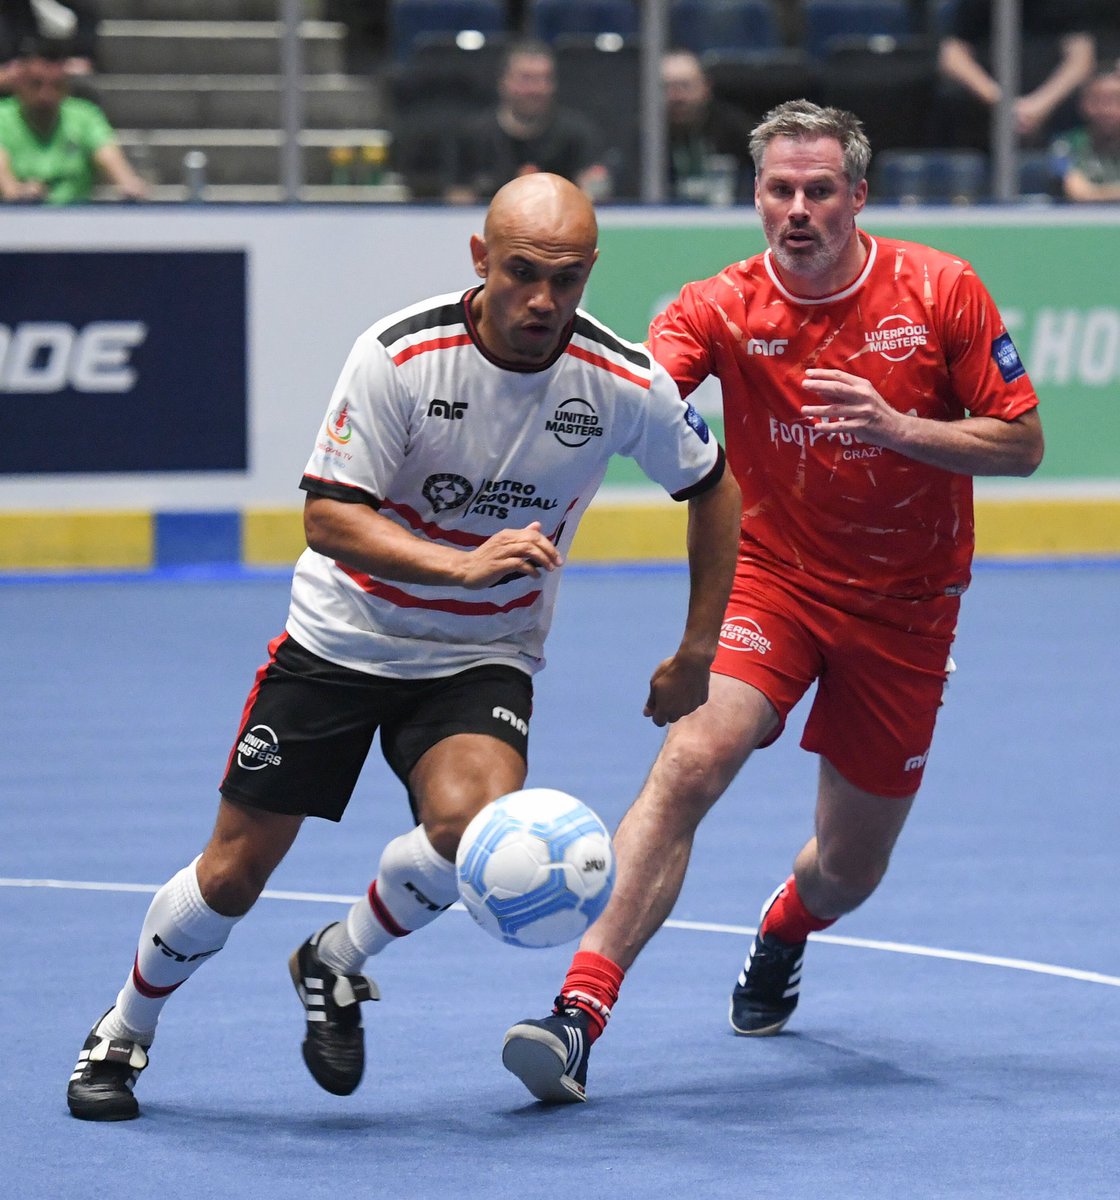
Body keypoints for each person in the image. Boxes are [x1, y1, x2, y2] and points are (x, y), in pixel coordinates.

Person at [65, 172, 741, 1121]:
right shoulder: (398, 356)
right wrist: (456, 567)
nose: (544, 301)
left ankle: (337, 960)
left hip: (480, 657)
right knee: (231, 873)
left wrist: (698, 647)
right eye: (521, 274)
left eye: (569, 279)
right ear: (479, 259)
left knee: (474, 832)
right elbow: (328, 518)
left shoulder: (621, 381)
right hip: (341, 640)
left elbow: (712, 485)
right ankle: (125, 1030)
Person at [502, 99, 1044, 1105]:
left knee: (847, 869)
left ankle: (785, 927)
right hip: (774, 581)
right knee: (694, 759)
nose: (797, 209)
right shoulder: (717, 306)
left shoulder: (939, 290)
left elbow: (1021, 442)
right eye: (778, 190)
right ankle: (575, 1014)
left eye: (819, 190)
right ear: (756, 196)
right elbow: (635, 395)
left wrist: (898, 429)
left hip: (908, 607)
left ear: (857, 197)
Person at [445, 40, 611, 204]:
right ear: (504, 82)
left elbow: (596, 192)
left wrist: (593, 188)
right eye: (526, 79)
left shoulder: (578, 135)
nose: (536, 89)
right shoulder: (473, 135)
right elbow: (458, 198)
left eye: (545, 79)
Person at [936, 0, 1099, 150]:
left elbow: (1081, 60)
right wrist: (1001, 101)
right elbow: (952, 56)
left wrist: (1038, 106)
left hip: (1052, 114)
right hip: (985, 114)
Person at [0, 40, 146, 203]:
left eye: (56, 85)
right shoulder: (2, 118)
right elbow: (7, 184)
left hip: (79, 222)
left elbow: (112, 160)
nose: (46, 95)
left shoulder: (85, 116)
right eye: (36, 84)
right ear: (19, 83)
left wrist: (128, 184)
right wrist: (19, 192)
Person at [662, 49, 754, 204]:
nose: (676, 97)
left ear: (705, 87)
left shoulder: (733, 127)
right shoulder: (646, 134)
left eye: (685, 86)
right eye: (667, 87)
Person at [1051, 69, 1120, 201]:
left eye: (1116, 100)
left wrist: (1097, 192)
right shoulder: (1065, 144)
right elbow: (1080, 193)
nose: (1107, 109)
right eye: (1098, 100)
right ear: (1083, 104)